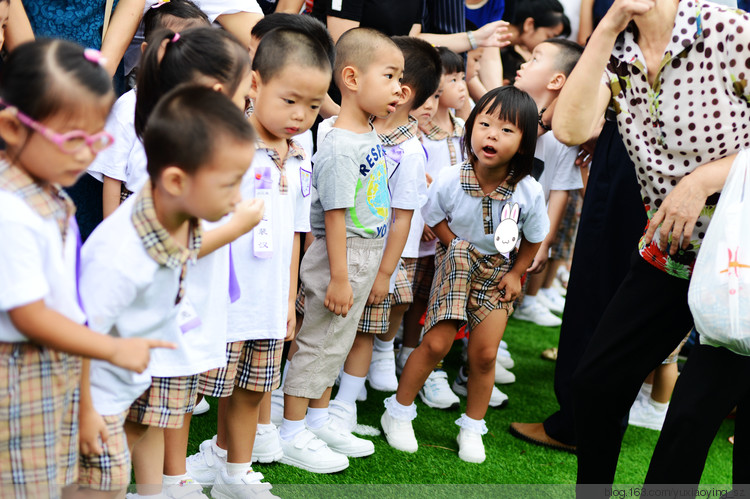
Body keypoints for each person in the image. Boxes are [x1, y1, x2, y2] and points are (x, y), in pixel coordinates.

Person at [551, 0, 750, 489]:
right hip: (672, 250)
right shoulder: (617, 47)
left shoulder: (730, 30)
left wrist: (704, 178)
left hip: (738, 258)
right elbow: (570, 128)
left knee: (692, 413)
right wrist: (607, 27)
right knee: (596, 383)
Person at [0, 38, 172, 499]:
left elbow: (69, 310)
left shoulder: (53, 199)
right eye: (74, 138)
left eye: (98, 137)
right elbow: (31, 317)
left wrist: (85, 406)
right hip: (16, 382)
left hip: (53, 376)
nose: (88, 153)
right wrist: (111, 350)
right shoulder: (10, 211)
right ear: (13, 129)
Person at [75, 85, 260, 498]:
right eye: (229, 185)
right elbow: (81, 337)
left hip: (125, 389)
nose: (237, 200)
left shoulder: (169, 223)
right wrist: (88, 414)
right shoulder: (121, 253)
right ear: (177, 179)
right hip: (97, 401)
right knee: (98, 484)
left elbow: (181, 252)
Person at [184, 29, 330, 497]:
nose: (300, 116)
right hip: (220, 298)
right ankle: (172, 477)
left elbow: (292, 236)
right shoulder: (228, 145)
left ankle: (235, 472)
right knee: (191, 391)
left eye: (312, 106)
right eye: (290, 100)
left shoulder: (301, 155)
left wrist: (288, 300)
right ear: (253, 83)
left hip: (268, 301)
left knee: (251, 390)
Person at [381, 85, 549, 464]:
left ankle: (472, 427)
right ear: (470, 128)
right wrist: (454, 245)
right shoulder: (452, 177)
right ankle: (398, 411)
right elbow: (433, 215)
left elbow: (535, 237)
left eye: (507, 130)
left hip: (499, 271)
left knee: (485, 355)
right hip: (457, 261)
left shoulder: (528, 191)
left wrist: (517, 273)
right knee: (437, 344)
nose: (491, 134)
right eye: (484, 124)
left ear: (524, 143)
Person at [278, 27, 402, 473]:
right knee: (318, 342)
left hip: (361, 253)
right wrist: (340, 276)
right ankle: (291, 432)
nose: (400, 88)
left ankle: (316, 419)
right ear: (351, 78)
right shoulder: (339, 145)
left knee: (337, 342)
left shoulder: (364, 132)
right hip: (342, 255)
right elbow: (333, 215)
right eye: (389, 76)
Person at [329, 36, 440, 429]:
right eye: (386, 73)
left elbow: (402, 218)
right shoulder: (337, 128)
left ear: (403, 91)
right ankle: (308, 402)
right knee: (324, 324)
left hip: (377, 257)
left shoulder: (409, 152)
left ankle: (343, 406)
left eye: (395, 76)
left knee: (364, 332)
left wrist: (384, 273)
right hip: (333, 249)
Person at [88, 26, 249, 218]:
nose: (246, 105)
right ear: (218, 92)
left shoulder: (199, 134)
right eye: (244, 96)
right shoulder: (177, 142)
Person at [510, 38, 583, 328]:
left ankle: (482, 352)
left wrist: (543, 243)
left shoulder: (565, 136)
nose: (523, 64)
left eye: (535, 59)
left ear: (557, 80)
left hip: (521, 236)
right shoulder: (502, 110)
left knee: (507, 294)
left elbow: (560, 193)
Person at [500, 0, 570, 86]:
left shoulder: (512, 56)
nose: (549, 44)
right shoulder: (488, 41)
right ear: (529, 24)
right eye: (549, 36)